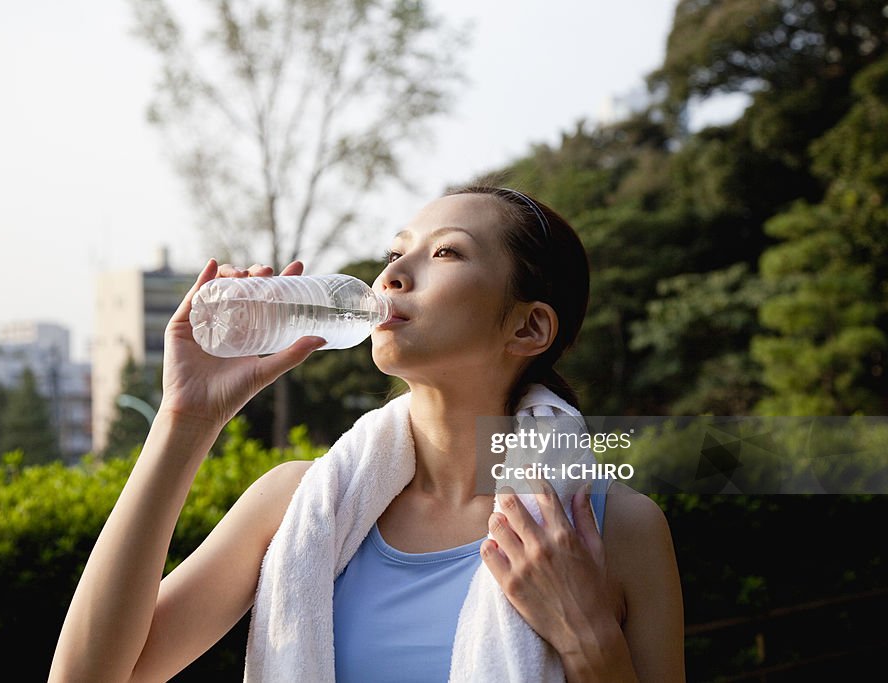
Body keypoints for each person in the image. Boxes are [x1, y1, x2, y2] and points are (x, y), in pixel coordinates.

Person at [49, 187, 684, 682]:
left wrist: (586, 636)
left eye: (445, 252)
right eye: (394, 253)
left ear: (527, 329)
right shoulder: (298, 504)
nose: (393, 274)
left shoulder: (613, 528)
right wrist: (185, 420)